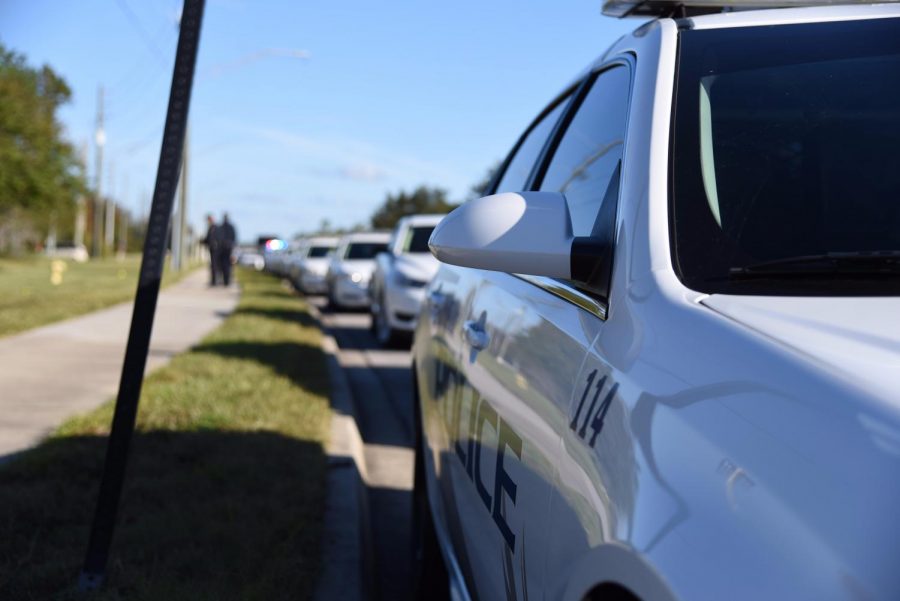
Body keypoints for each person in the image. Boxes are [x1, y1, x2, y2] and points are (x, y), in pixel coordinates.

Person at [217, 212, 237, 286]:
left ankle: (226, 280)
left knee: (224, 265)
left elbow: (219, 238)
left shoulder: (221, 227)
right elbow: (234, 238)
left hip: (223, 249)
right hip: (228, 249)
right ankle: (227, 280)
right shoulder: (231, 227)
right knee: (228, 265)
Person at [203, 214, 220, 286]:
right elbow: (208, 239)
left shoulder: (214, 227)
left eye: (208, 220)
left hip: (215, 249)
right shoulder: (211, 228)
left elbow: (213, 238)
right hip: (212, 249)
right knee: (213, 265)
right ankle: (213, 281)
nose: (208, 221)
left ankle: (214, 281)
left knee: (214, 265)